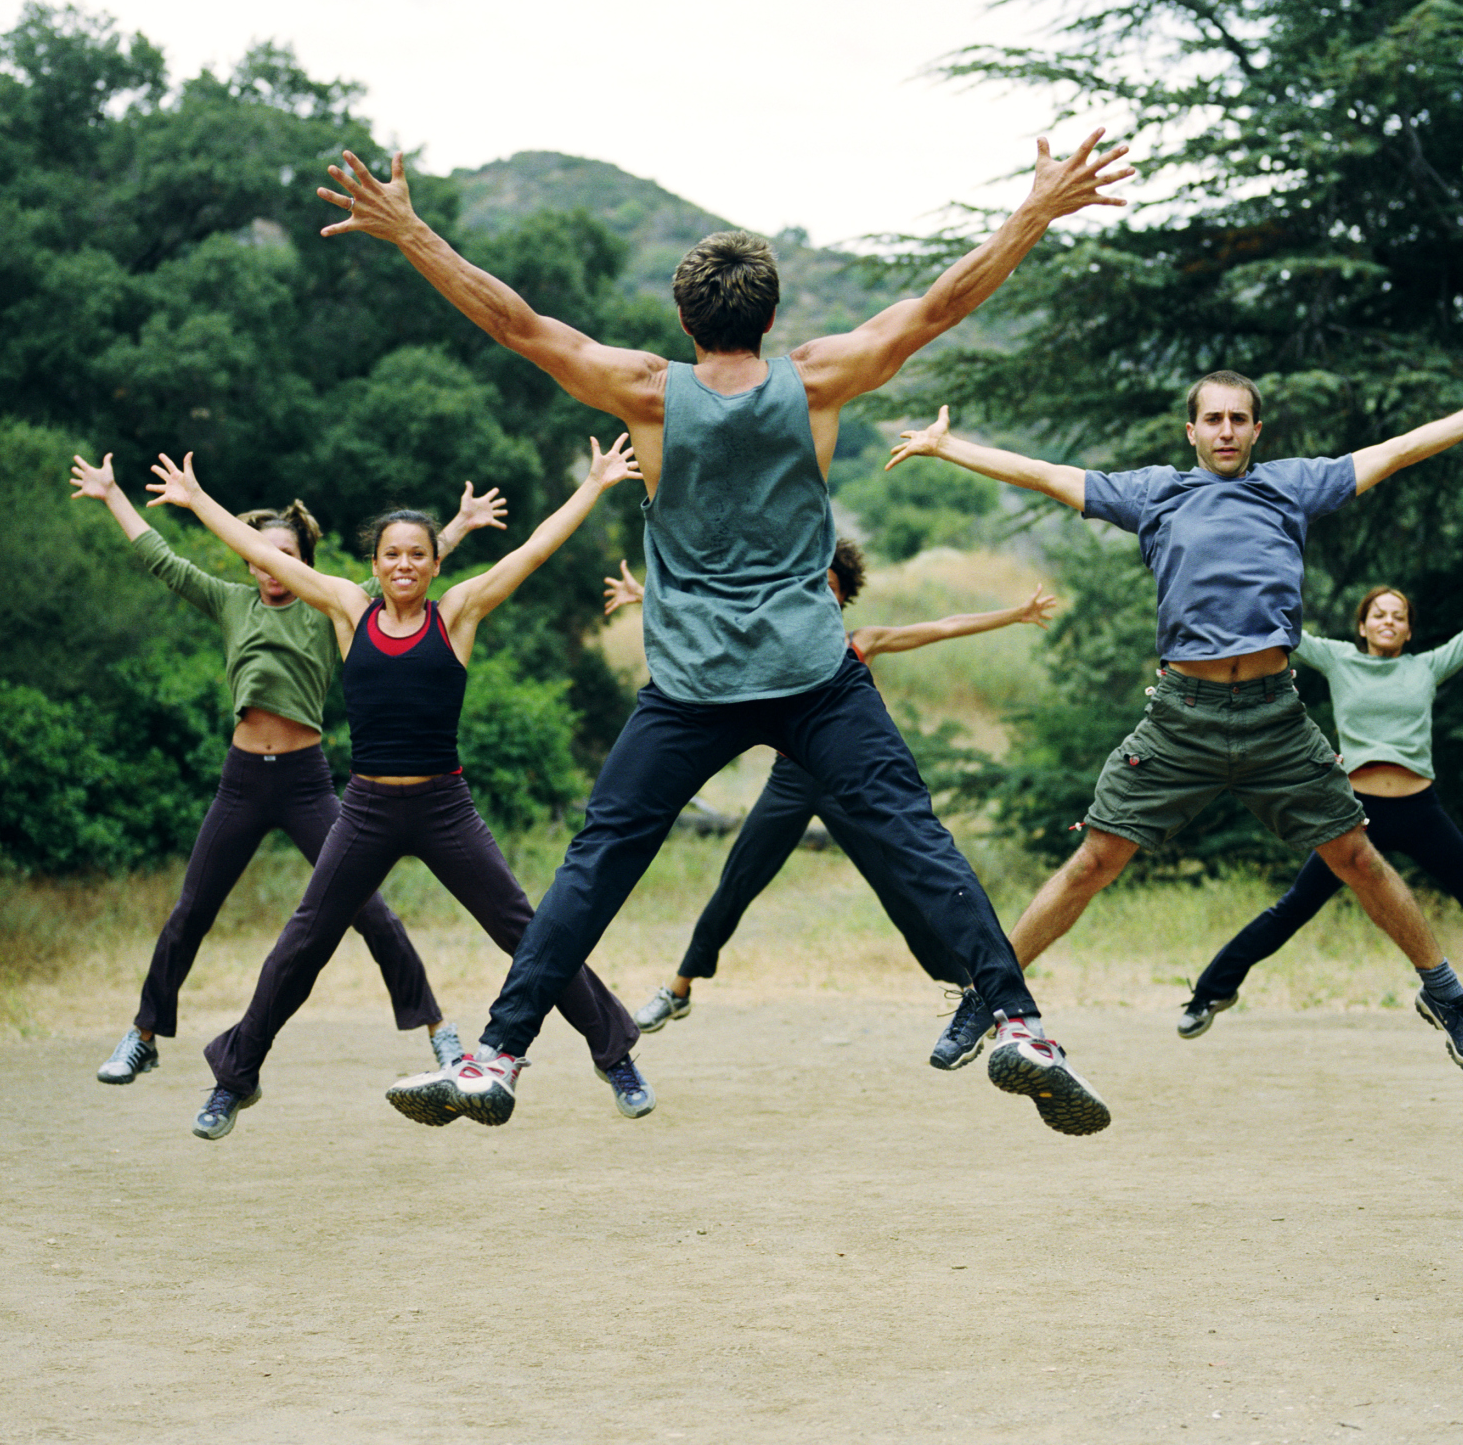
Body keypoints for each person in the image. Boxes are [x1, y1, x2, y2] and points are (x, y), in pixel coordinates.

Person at [317, 130, 1133, 1135]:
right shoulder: (820, 378)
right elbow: (941, 305)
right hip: (811, 671)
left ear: (683, 316)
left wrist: (411, 232)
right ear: (772, 313)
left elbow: (517, 325)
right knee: (914, 837)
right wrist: (1033, 213)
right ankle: (1017, 1024)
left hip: (692, 683)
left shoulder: (647, 392)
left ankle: (497, 1054)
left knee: (595, 862)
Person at [886, 366, 1463, 1079]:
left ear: (1256, 431)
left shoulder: (1290, 485)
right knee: (1095, 861)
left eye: (1239, 419)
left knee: (1356, 857)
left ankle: (1446, 996)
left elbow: (1391, 452)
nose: (1227, 430)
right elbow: (1048, 474)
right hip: (1182, 718)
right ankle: (989, 994)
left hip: (1275, 718)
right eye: (1214, 419)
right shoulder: (1156, 494)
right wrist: (948, 446)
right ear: (1192, 430)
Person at [140, 438, 653, 1139]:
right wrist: (198, 502)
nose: (405, 564)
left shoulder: (459, 612)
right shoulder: (349, 609)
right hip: (368, 808)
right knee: (304, 941)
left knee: (530, 932)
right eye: (392, 554)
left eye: (417, 553)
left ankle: (615, 1054)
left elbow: (531, 551)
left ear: (436, 562)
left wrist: (594, 484)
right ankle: (234, 1078)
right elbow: (269, 556)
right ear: (374, 564)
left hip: (445, 806)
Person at [69, 453, 505, 1087]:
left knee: (370, 911)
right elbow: (159, 558)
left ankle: (438, 1031)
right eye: (266, 554)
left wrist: (457, 528)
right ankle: (143, 1035)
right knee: (192, 907)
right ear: (251, 560)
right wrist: (113, 496)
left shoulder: (329, 607)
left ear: (303, 563)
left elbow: (403, 573)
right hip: (242, 780)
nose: (277, 566)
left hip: (306, 782)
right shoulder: (228, 602)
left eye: (290, 556)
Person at [606, 544, 1059, 1070]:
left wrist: (1015, 613)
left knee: (904, 890)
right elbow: (710, 612)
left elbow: (943, 625)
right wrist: (645, 594)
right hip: (790, 782)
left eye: (829, 584)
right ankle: (679, 988)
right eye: (810, 582)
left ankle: (978, 991)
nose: (818, 589)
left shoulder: (858, 643)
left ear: (842, 596)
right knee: (737, 881)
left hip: (849, 785)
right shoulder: (776, 639)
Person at [1178, 584, 1463, 1040]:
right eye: (1379, 615)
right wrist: (1221, 594)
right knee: (1294, 907)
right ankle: (1209, 994)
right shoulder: (1339, 658)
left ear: (1407, 632)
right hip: (1356, 815)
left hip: (1420, 811)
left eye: (1398, 616)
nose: (1388, 621)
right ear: (1362, 626)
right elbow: (1280, 631)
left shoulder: (1426, 666)